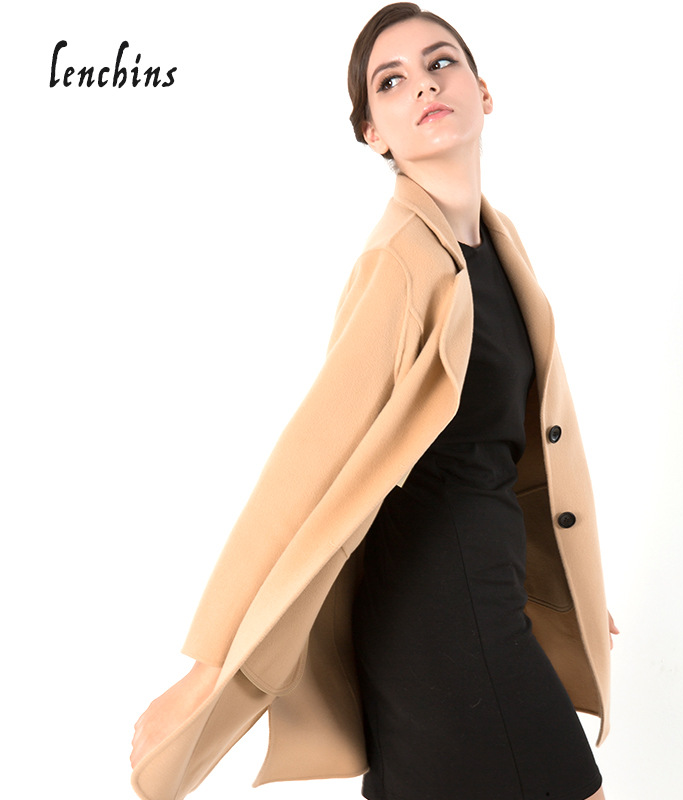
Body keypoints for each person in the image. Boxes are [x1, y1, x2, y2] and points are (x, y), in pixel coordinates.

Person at [130, 4, 619, 800]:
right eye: (391, 82)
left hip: (482, 596)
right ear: (373, 133)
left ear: (483, 92)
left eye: (441, 63)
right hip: (444, 612)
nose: (423, 85)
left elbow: (511, 454)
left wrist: (569, 582)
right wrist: (209, 665)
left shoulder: (498, 244)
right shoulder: (401, 263)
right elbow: (306, 465)